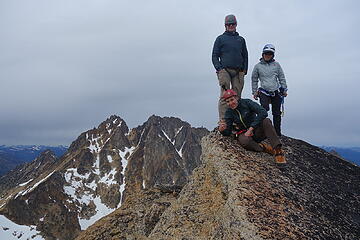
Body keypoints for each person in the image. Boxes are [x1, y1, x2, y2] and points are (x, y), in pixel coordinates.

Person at [218, 89, 286, 164]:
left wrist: (251, 128)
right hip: (245, 134)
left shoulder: (246, 103)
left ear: (236, 97)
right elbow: (228, 131)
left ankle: (278, 151)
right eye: (228, 101)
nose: (231, 103)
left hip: (256, 130)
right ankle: (263, 147)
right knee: (244, 141)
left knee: (266, 121)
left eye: (232, 100)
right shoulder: (229, 112)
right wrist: (222, 130)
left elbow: (263, 112)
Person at [212, 14, 248, 121]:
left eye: (233, 24)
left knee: (237, 97)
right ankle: (224, 121)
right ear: (225, 26)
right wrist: (219, 69)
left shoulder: (241, 40)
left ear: (236, 24)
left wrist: (244, 70)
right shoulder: (220, 39)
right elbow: (214, 55)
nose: (231, 26)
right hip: (225, 70)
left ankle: (237, 120)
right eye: (229, 24)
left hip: (238, 71)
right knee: (225, 96)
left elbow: (245, 55)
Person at [251, 44, 288, 136]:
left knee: (276, 113)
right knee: (263, 110)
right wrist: (254, 91)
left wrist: (284, 89)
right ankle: (261, 131)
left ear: (273, 55)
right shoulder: (258, 66)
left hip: (276, 91)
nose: (268, 55)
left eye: (270, 54)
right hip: (263, 91)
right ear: (262, 54)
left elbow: (281, 77)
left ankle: (277, 133)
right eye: (266, 53)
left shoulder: (277, 65)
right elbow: (254, 79)